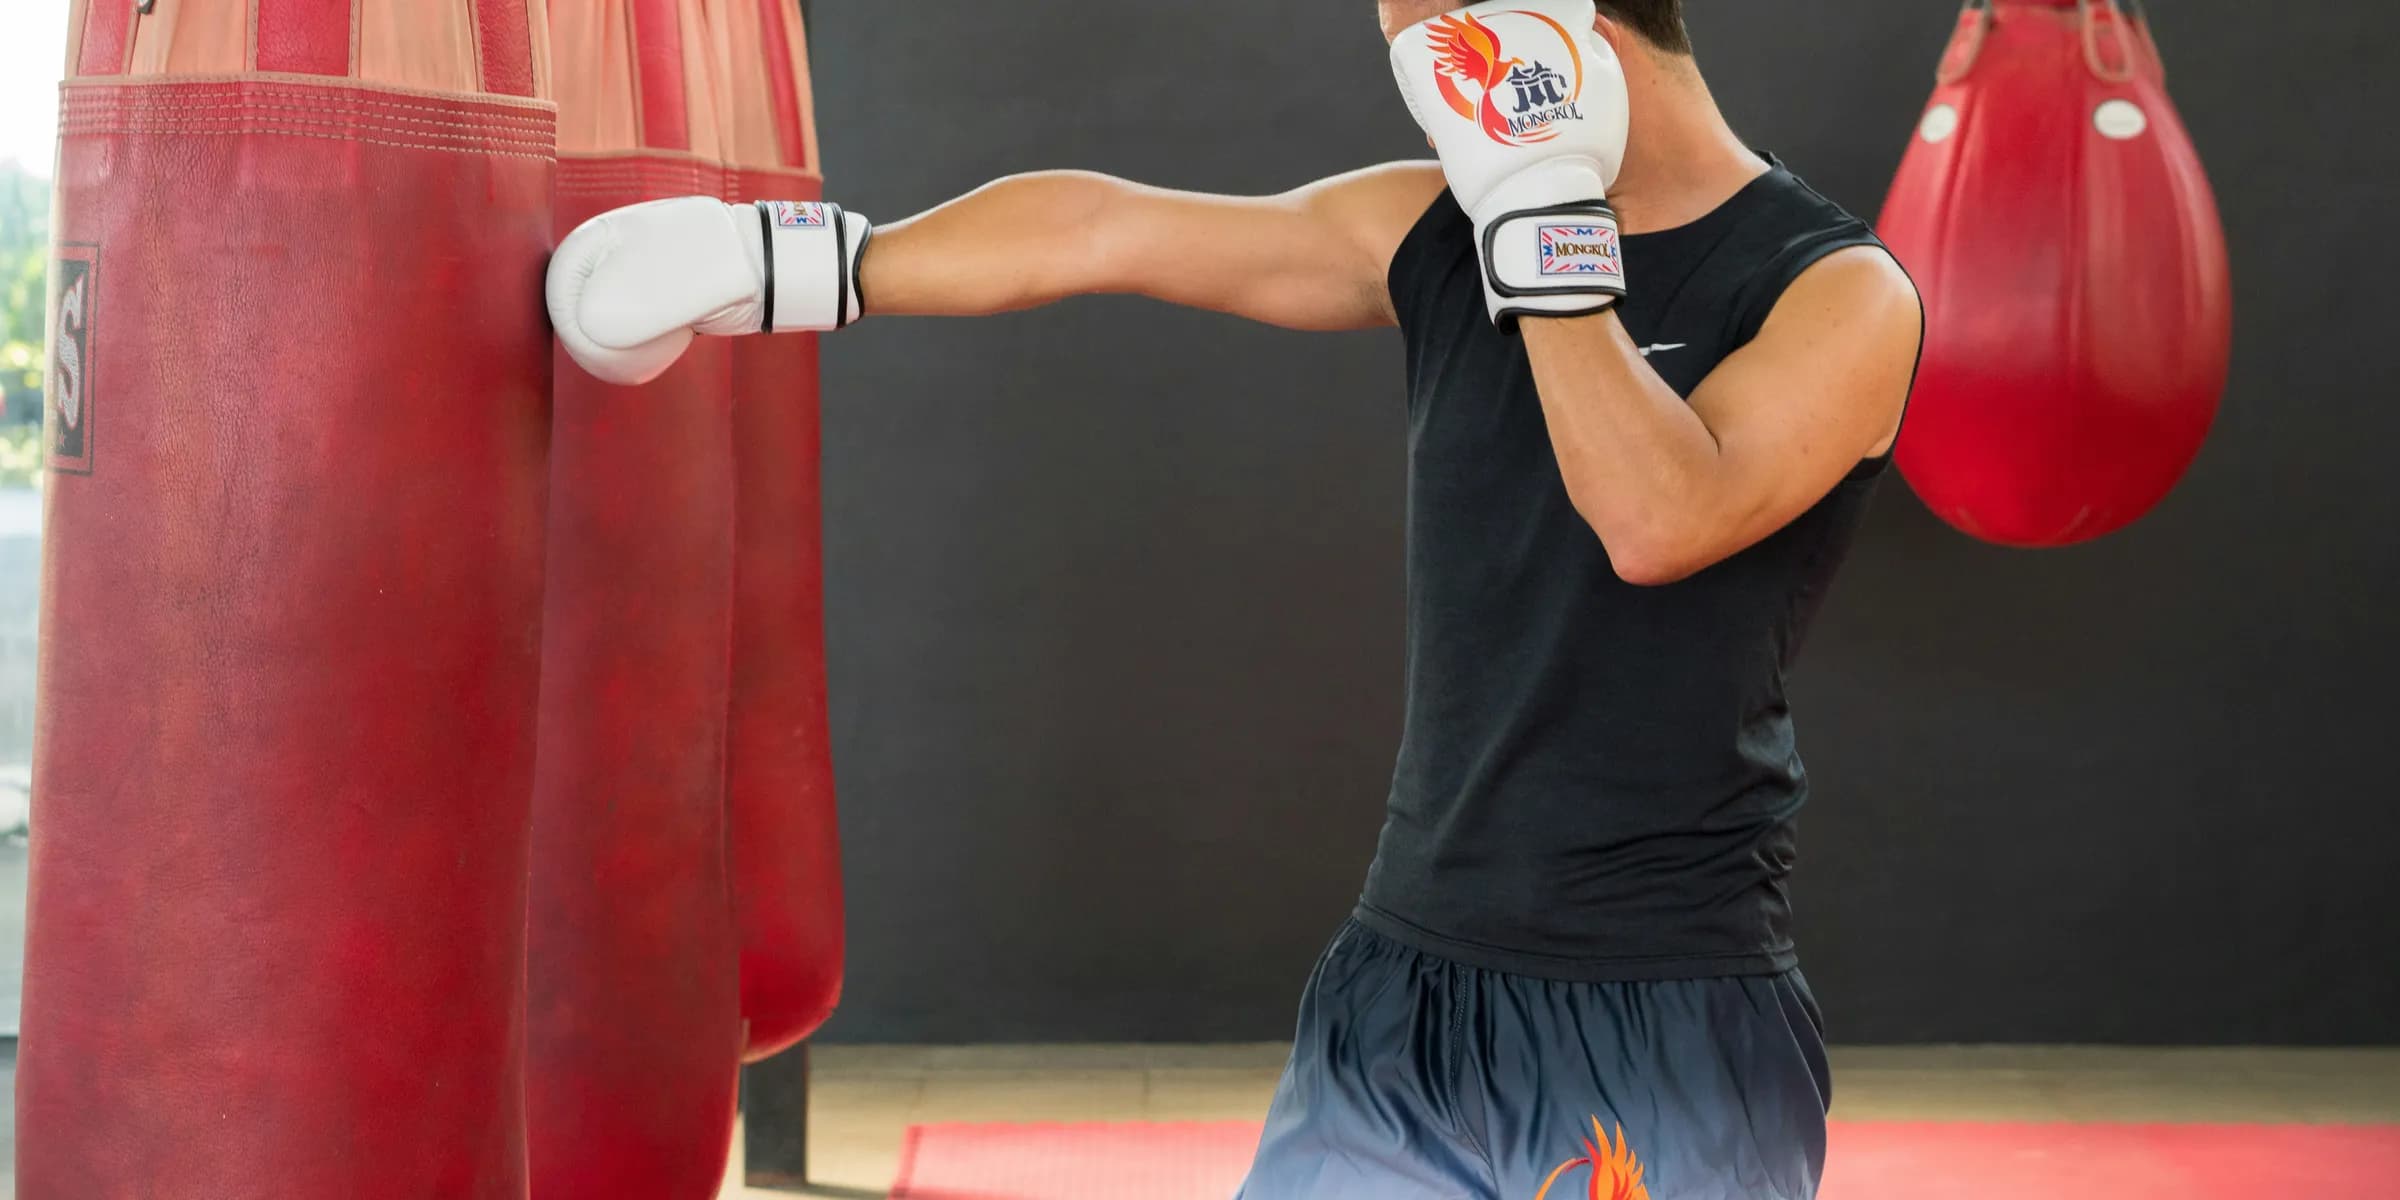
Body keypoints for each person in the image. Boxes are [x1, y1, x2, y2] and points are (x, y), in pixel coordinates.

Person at [547, 1, 1921, 1195]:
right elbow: (1107, 225)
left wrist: (1547, 221)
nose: (1439, 110)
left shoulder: (1836, 293)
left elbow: (1656, 520)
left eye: (1445, 62)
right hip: (1405, 987)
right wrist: (798, 264)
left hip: (1662, 1011)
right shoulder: (1437, 232)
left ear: (1560, 41)